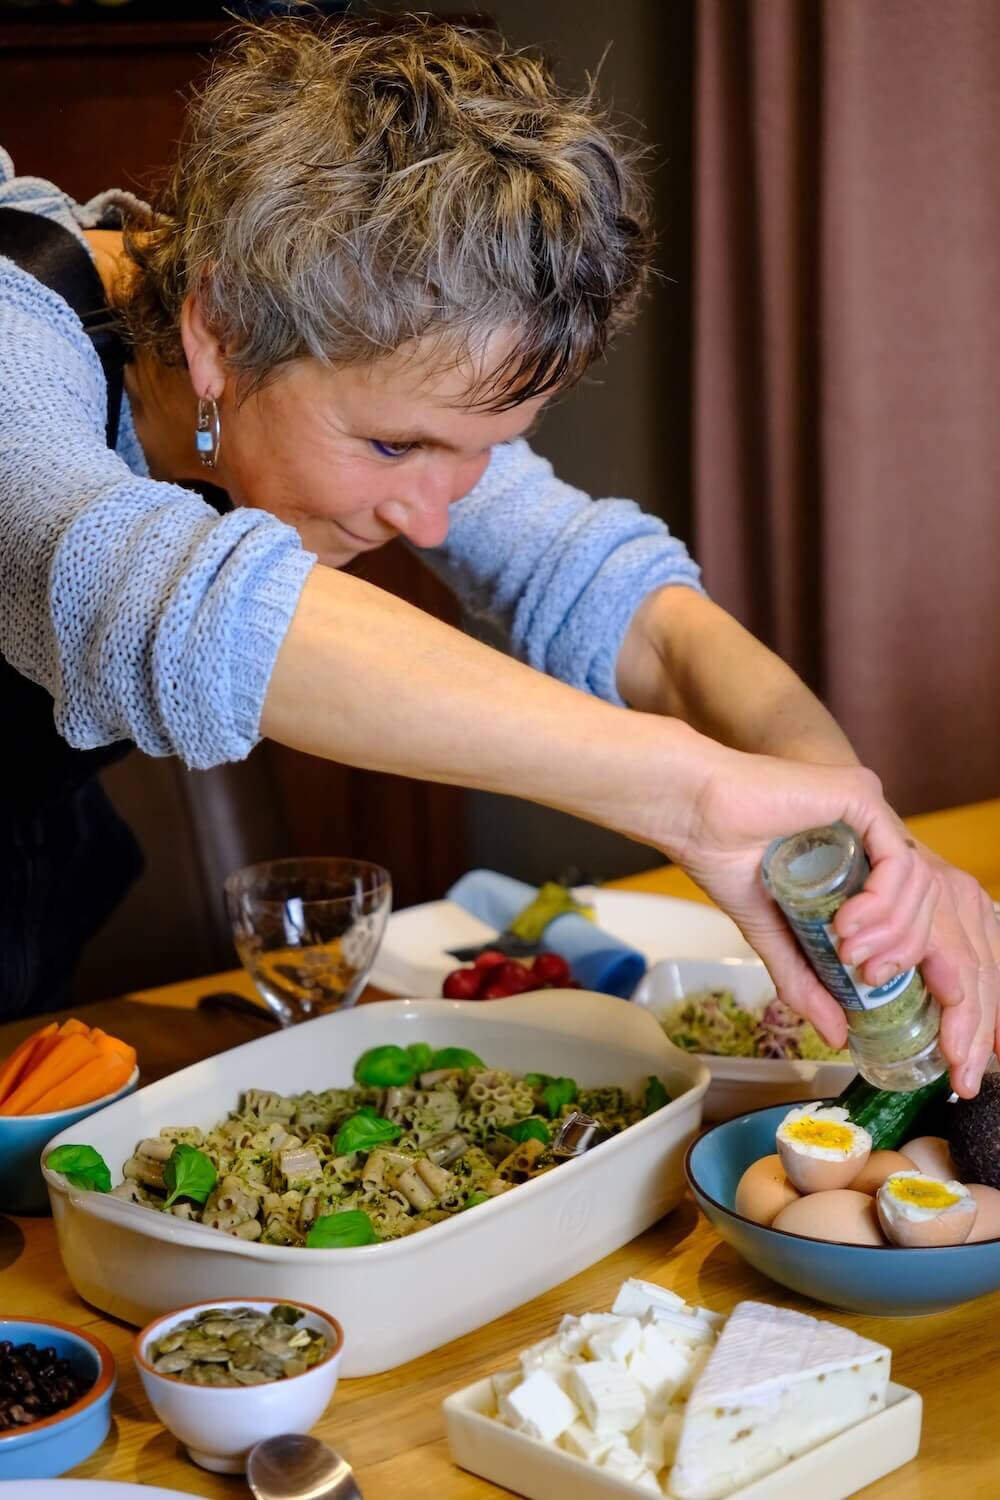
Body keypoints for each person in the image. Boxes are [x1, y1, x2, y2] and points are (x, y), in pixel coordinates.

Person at [0, 18, 996, 1091]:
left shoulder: (347, 335)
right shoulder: (20, 347)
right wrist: (689, 795)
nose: (431, 520)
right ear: (216, 335)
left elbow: (618, 601)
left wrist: (843, 829)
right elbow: (161, 601)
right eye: (394, 445)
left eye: (483, 452)